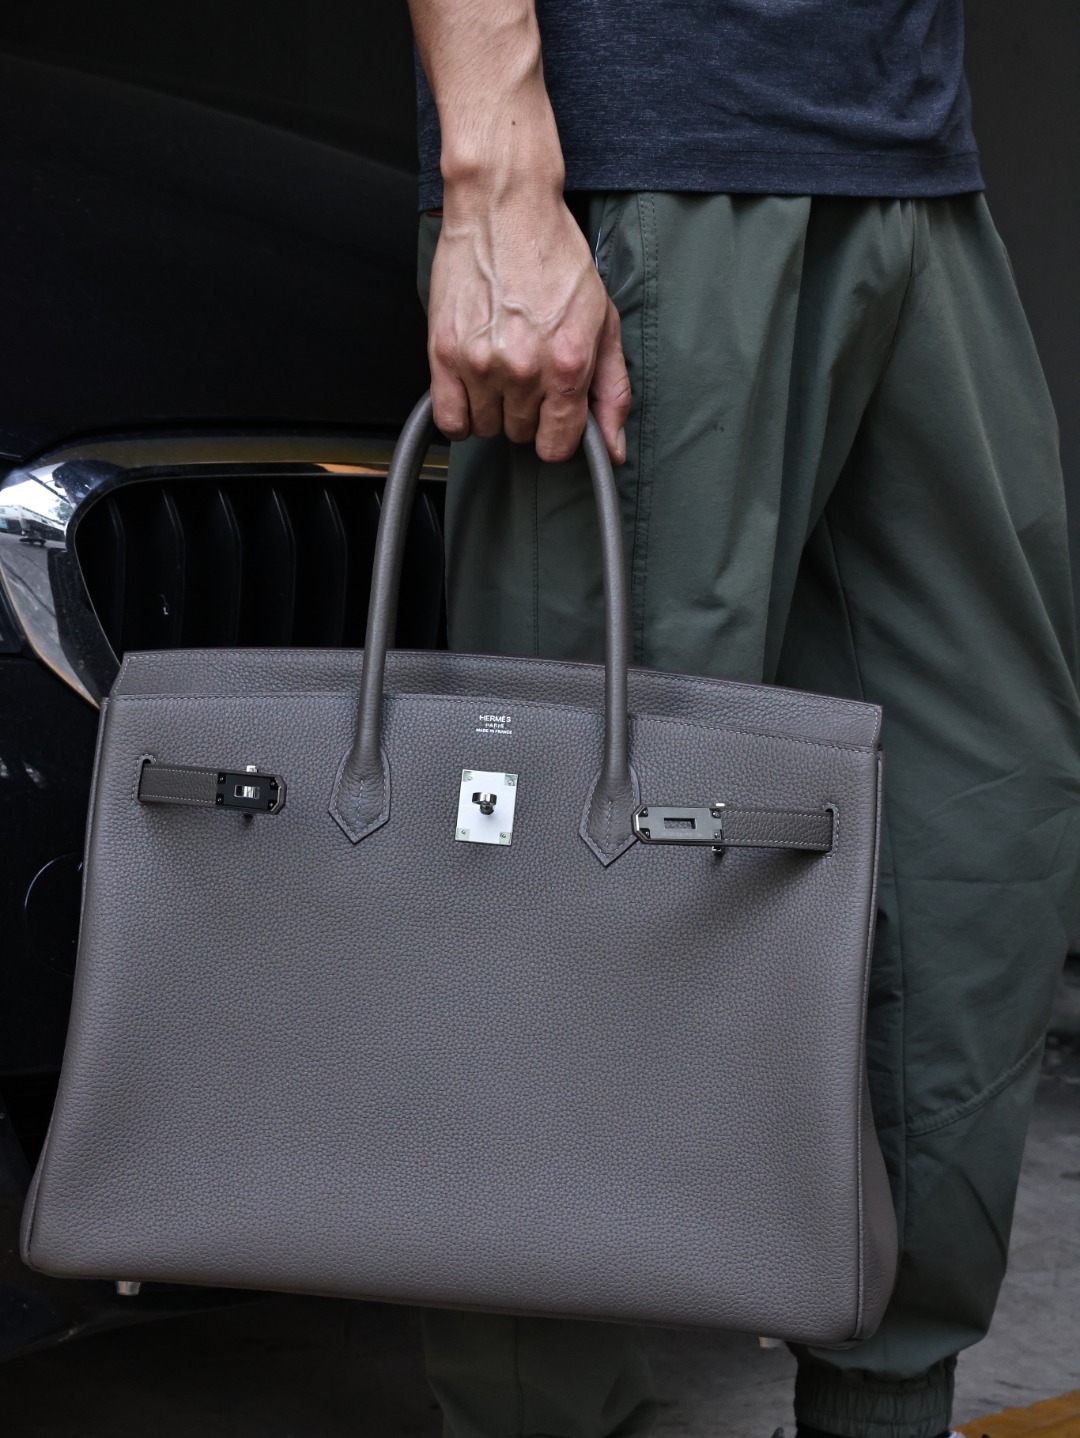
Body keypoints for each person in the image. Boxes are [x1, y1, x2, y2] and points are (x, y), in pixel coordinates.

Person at [405, 3, 1080, 1436]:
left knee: (975, 840)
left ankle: (884, 1404)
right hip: (644, 155)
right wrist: (495, 163)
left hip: (905, 156)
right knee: (574, 888)